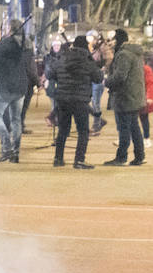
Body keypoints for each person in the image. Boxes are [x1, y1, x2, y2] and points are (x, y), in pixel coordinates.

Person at [48, 34, 102, 169]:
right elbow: (98, 78)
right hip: (80, 101)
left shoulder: (63, 58)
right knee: (83, 131)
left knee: (63, 130)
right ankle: (79, 160)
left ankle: (58, 159)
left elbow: (50, 74)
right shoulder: (88, 61)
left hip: (63, 99)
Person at [0, 20, 29, 162]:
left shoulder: (6, 43)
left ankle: (6, 147)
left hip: (6, 86)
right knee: (16, 120)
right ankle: (15, 152)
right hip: (21, 86)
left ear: (10, 29)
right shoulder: (26, 44)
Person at [103, 28, 147, 166]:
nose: (111, 43)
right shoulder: (135, 53)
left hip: (125, 97)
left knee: (124, 128)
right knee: (134, 127)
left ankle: (121, 157)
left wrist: (107, 81)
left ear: (118, 40)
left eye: (113, 40)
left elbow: (120, 76)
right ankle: (139, 156)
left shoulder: (123, 54)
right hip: (134, 96)